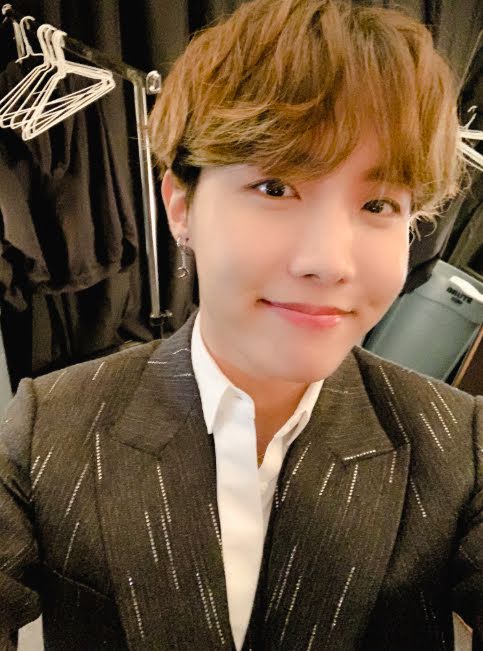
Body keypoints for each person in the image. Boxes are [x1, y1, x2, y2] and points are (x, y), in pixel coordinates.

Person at [1, 0, 481, 649]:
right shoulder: (50, 424)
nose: (327, 262)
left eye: (377, 204)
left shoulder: (458, 445)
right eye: (275, 188)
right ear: (181, 207)